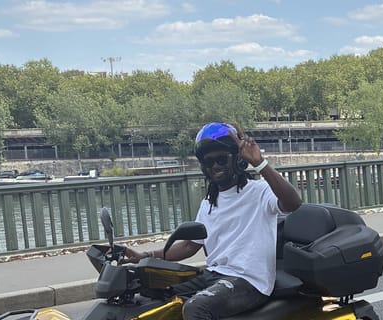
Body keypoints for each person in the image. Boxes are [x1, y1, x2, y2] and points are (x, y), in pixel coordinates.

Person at [121, 122, 303, 319]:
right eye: (209, 161)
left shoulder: (258, 191)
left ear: (237, 160)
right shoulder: (209, 202)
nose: (216, 165)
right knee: (155, 294)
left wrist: (260, 163)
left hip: (248, 281)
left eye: (222, 159)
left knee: (196, 308)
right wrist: (144, 256)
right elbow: (189, 246)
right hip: (214, 275)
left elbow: (292, 203)